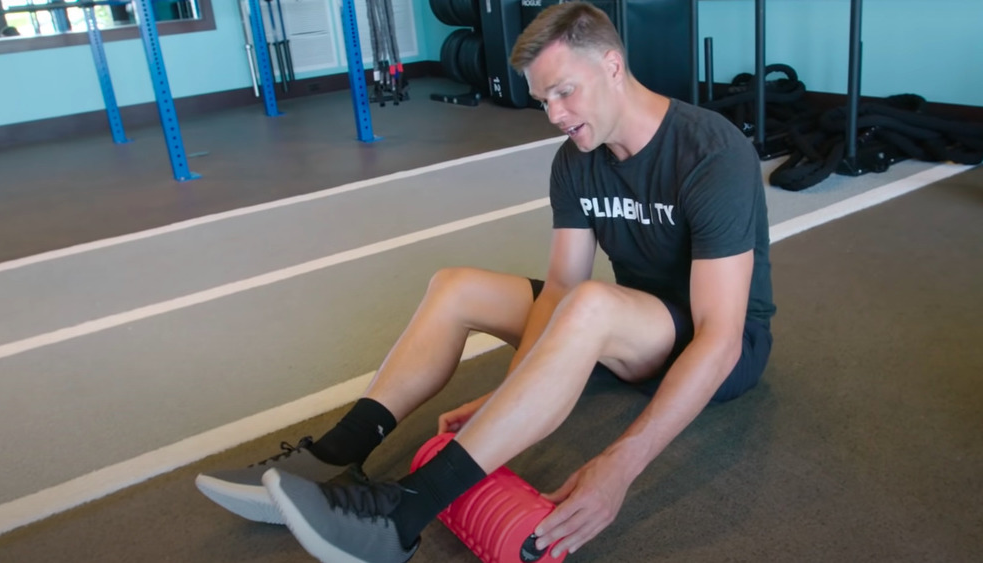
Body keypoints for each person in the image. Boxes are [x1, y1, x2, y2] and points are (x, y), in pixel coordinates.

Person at [195, 2, 775, 562]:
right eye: (543, 99)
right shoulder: (576, 158)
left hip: (719, 349)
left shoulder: (710, 152)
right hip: (631, 328)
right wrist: (510, 392)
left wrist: (620, 464)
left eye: (563, 91)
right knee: (456, 285)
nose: (554, 114)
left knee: (593, 303)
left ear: (613, 67)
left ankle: (400, 515)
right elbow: (557, 290)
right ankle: (335, 455)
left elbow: (719, 335)